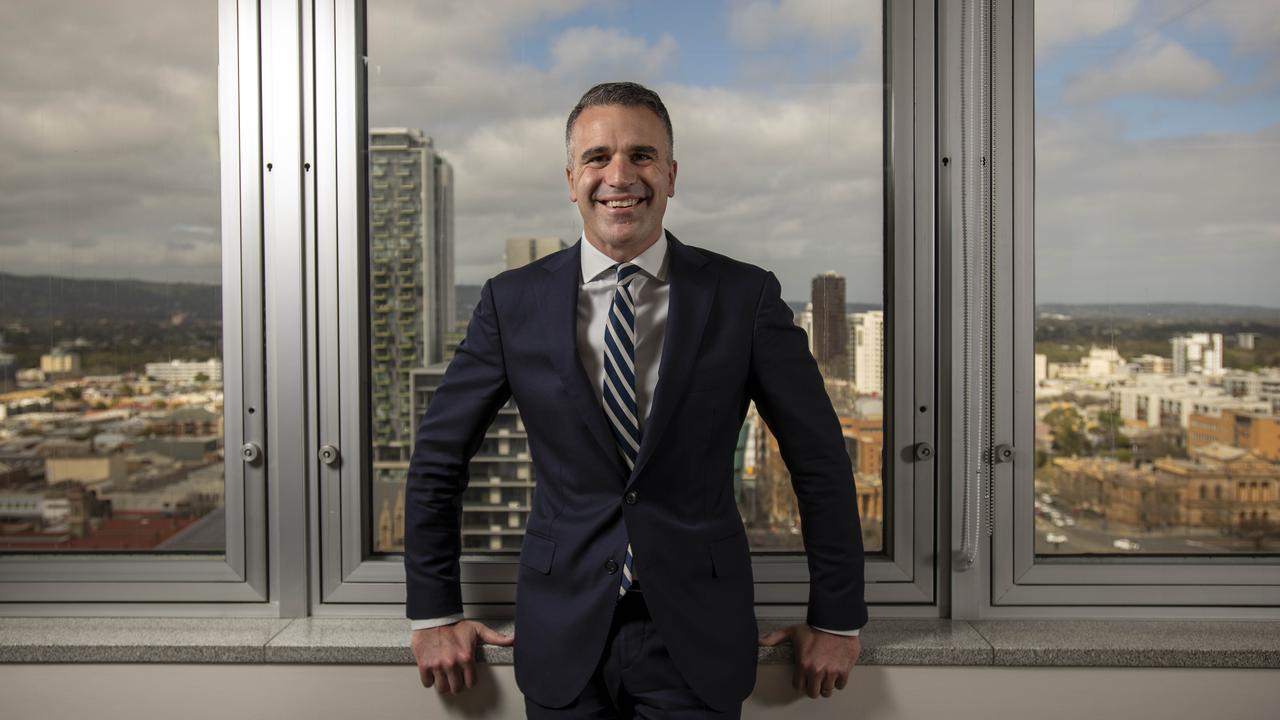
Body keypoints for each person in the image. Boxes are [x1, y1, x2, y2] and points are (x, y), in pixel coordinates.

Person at [406, 81, 867, 718]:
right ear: (571, 179)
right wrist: (434, 611)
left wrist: (836, 617)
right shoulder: (511, 303)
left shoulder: (744, 297)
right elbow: (437, 459)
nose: (619, 175)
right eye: (597, 158)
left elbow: (818, 460)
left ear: (671, 175)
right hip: (559, 626)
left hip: (698, 634)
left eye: (642, 156)